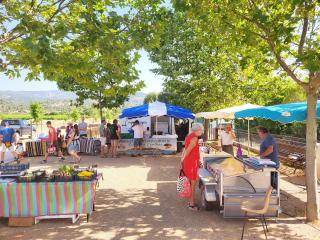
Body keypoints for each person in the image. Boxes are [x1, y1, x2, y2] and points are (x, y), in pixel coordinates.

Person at [181, 123, 203, 210]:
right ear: (197, 130)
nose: (202, 132)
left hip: (191, 162)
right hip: (191, 163)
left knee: (192, 183)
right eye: (201, 130)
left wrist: (182, 160)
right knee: (192, 183)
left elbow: (185, 149)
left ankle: (191, 201)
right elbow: (187, 151)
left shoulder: (189, 136)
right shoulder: (194, 138)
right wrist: (182, 161)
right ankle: (191, 203)